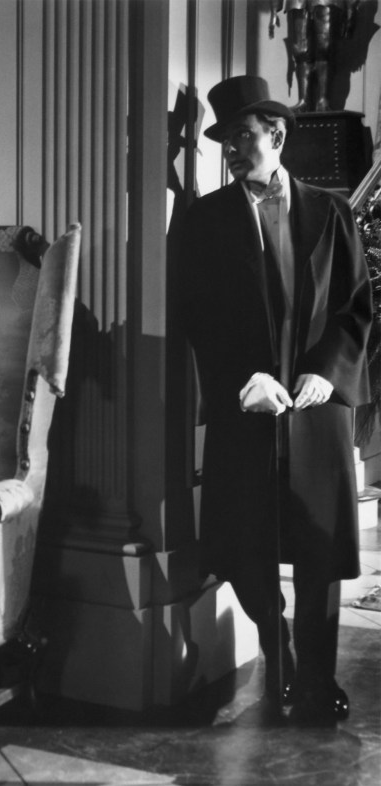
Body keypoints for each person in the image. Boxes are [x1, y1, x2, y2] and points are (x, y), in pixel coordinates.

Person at [180, 76, 371, 725]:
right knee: (242, 544)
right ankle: (277, 650)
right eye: (226, 140)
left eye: (244, 136)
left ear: (278, 136)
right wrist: (244, 380)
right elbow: (195, 316)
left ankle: (316, 678)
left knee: (319, 546)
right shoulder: (203, 219)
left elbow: (355, 309)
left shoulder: (332, 212)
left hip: (317, 409)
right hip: (248, 406)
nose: (233, 150)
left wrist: (327, 374)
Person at [270, 0, 360, 112]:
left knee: (324, 49)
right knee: (301, 51)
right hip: (298, 3)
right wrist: (274, 8)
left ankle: (323, 100)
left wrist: (351, 7)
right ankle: (304, 100)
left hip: (328, 2)